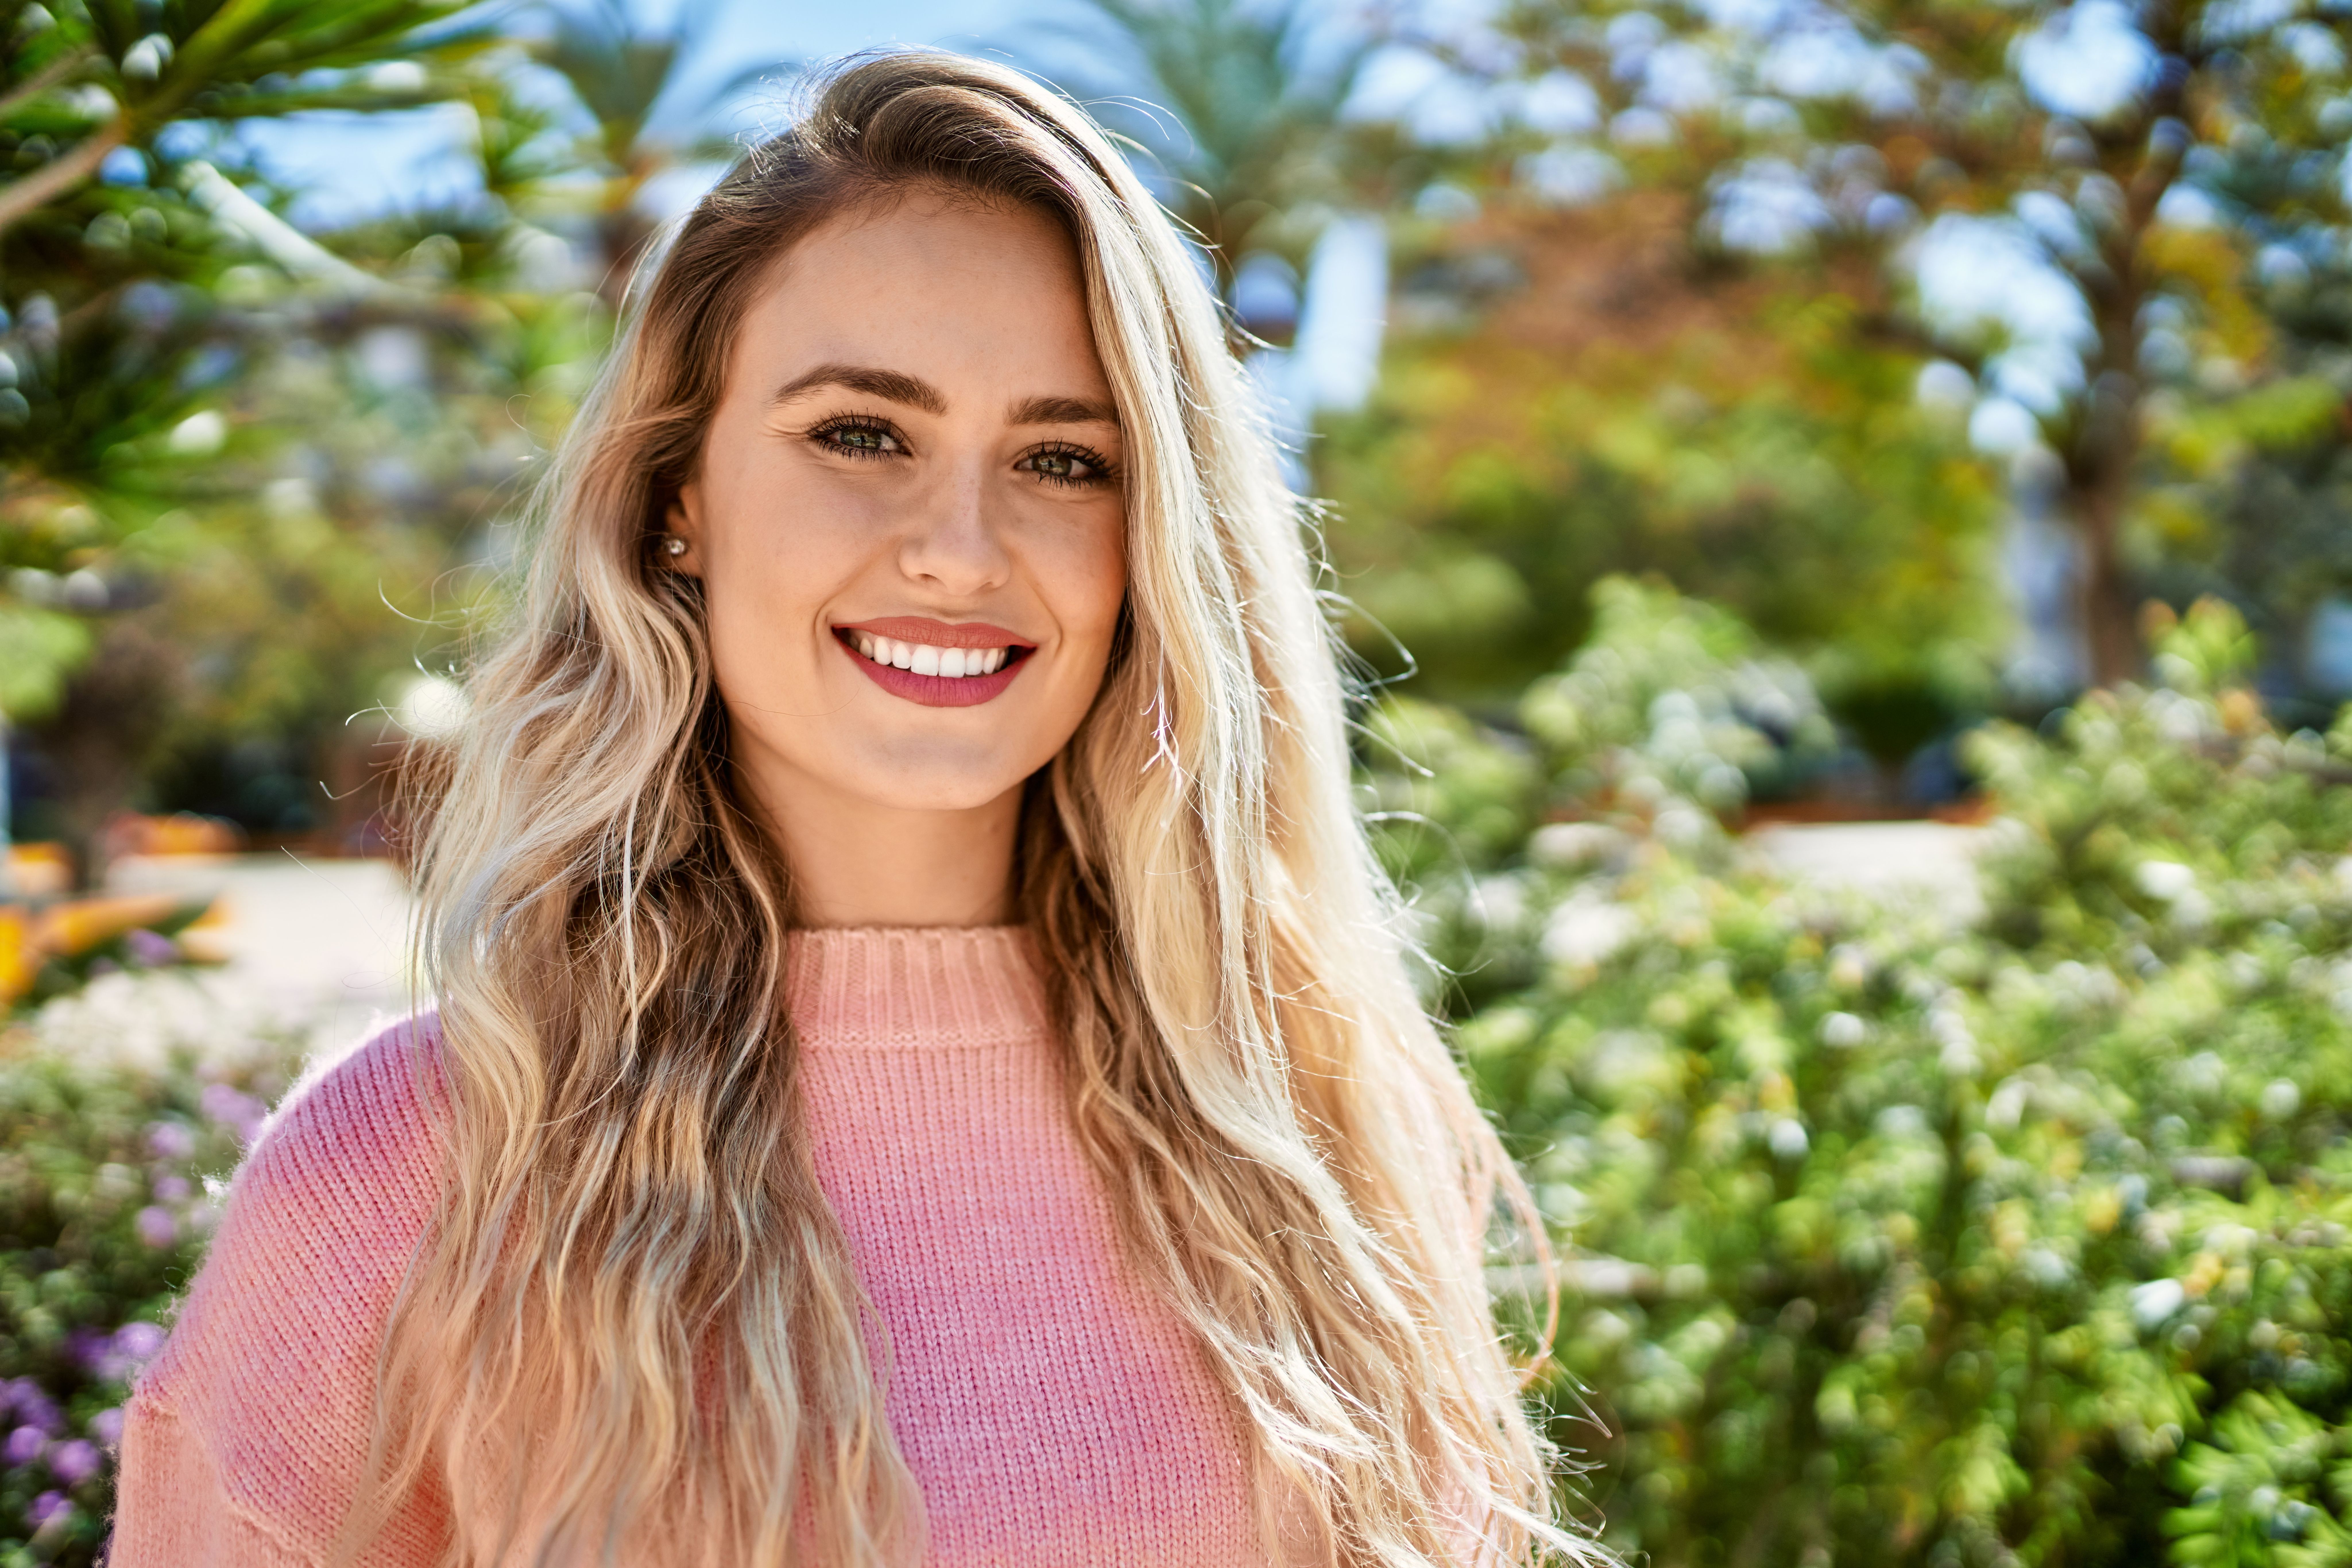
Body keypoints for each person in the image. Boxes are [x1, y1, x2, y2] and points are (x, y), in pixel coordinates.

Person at [110, 51, 1597, 1568]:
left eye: (1064, 458)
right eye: (862, 433)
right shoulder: (415, 1165)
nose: (960, 547)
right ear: (677, 493)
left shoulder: (1323, 1127)